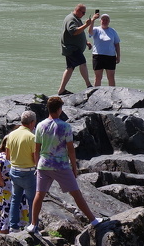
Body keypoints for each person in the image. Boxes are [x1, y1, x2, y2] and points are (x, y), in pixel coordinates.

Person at [27, 96, 104, 234]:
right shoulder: (65, 126)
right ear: (59, 109)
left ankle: (33, 224)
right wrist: (74, 167)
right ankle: (93, 219)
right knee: (76, 193)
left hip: (43, 165)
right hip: (60, 165)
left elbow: (36, 149)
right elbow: (71, 150)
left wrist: (36, 165)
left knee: (39, 194)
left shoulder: (40, 125)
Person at [3, 112, 38, 233]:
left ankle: (13, 226)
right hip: (28, 173)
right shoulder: (32, 137)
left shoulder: (11, 135)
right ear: (32, 122)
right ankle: (33, 226)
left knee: (15, 199)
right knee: (32, 200)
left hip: (14, 171)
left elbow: (7, 156)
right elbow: (35, 159)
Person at [58, 3, 97, 95]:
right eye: (83, 12)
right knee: (82, 63)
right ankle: (88, 85)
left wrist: (86, 42)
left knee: (70, 68)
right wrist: (86, 25)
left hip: (72, 48)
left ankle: (61, 89)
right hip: (72, 48)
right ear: (78, 10)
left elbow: (79, 32)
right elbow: (74, 31)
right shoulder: (71, 19)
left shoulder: (76, 19)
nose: (84, 14)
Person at [88, 13, 121, 87]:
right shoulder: (96, 29)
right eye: (103, 19)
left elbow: (117, 44)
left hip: (110, 56)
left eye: (106, 20)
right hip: (98, 55)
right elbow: (90, 32)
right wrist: (92, 20)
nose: (105, 21)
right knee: (98, 77)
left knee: (111, 77)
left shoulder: (112, 31)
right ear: (100, 21)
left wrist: (118, 56)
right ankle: (96, 93)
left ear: (109, 21)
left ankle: (112, 93)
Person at [0, 141, 13, 235]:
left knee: (8, 209)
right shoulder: (2, 156)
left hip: (9, 187)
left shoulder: (9, 156)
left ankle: (7, 230)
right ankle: (4, 232)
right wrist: (1, 180)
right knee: (5, 209)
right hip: (5, 188)